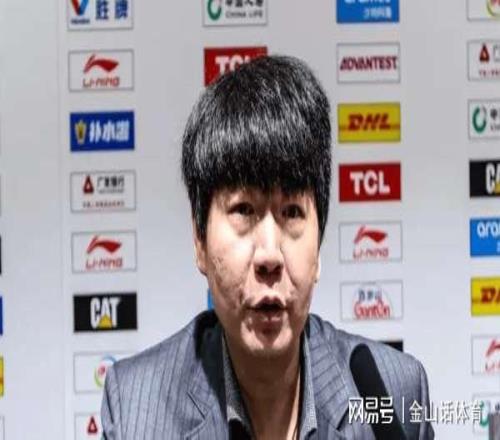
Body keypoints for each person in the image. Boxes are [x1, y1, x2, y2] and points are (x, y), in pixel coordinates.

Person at [101, 55, 434, 440]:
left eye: (292, 212)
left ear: (319, 244)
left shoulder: (392, 394)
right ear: (199, 241)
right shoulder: (136, 411)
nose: (270, 255)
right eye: (244, 210)